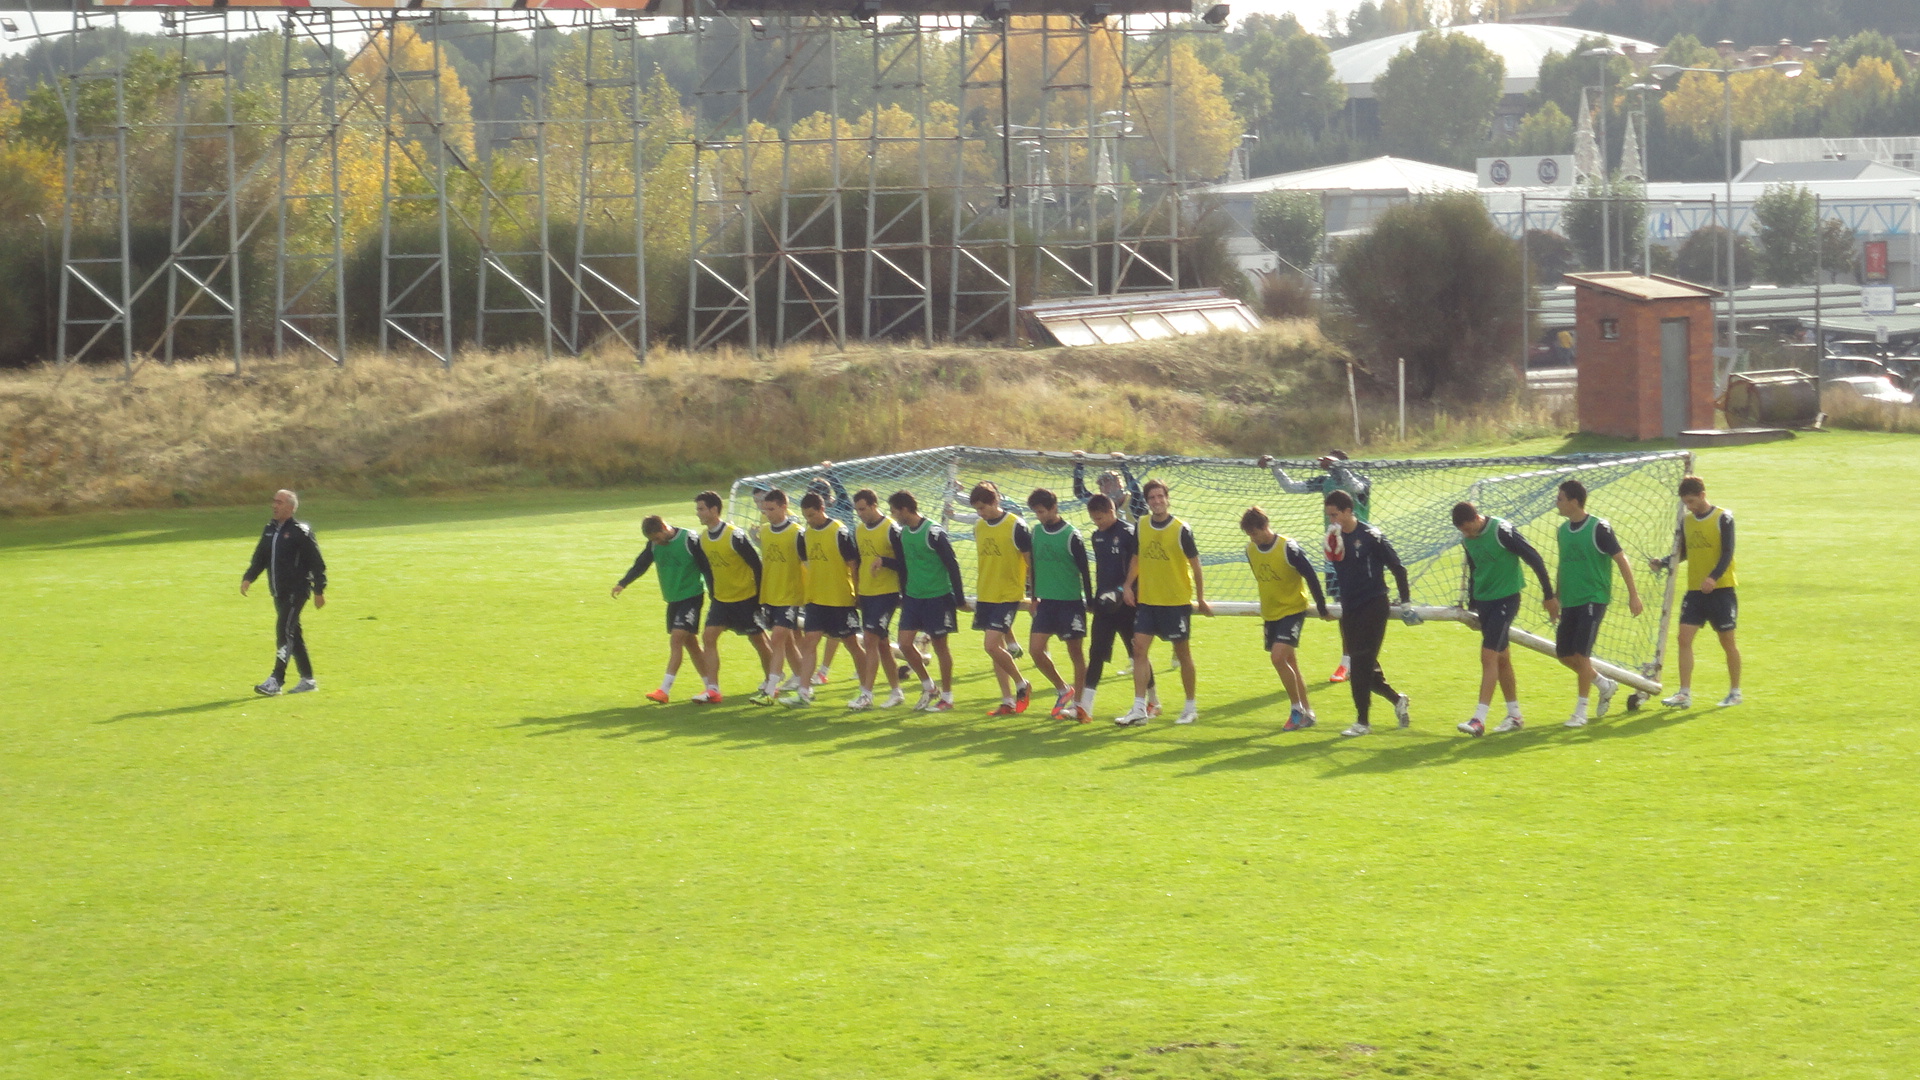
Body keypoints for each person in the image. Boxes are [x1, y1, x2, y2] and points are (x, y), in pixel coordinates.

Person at [1261, 449, 1371, 683]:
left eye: (1334, 466)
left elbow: (1357, 488)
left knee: (1359, 610)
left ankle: (1356, 661)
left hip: (1361, 554)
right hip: (1334, 554)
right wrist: (1274, 466)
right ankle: (1348, 662)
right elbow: (1292, 487)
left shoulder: (1361, 480)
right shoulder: (1326, 481)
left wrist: (1337, 466)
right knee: (1343, 608)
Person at [1450, 501, 1555, 737]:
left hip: (1506, 600)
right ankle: (1515, 715)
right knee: (1503, 659)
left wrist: (1548, 595)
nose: (1466, 534)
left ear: (1476, 518)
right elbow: (1476, 570)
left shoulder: (1501, 530)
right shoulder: (1467, 539)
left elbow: (1534, 558)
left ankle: (1479, 719)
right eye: (1462, 531)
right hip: (1485, 603)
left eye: (1467, 528)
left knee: (1488, 656)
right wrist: (1473, 605)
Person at [1114, 478, 1209, 726]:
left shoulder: (1181, 529)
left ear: (1167, 499)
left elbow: (1196, 566)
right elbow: (1136, 558)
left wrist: (1200, 598)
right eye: (1152, 498)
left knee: (1182, 654)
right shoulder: (1142, 526)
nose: (1157, 501)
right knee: (1139, 649)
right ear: (1146, 502)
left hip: (1175, 602)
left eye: (1160, 497)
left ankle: (1190, 707)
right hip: (1148, 601)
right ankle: (1139, 708)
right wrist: (1127, 585)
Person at [1551, 479, 1644, 728]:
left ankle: (1580, 712)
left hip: (1593, 598)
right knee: (1564, 654)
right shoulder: (1561, 531)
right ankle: (1604, 684)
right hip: (1570, 600)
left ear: (1574, 501)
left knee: (1582, 655)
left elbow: (1621, 559)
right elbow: (1563, 565)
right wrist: (1556, 597)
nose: (1556, 503)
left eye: (1559, 499)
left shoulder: (1599, 528)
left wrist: (1633, 595)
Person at [1324, 489, 1412, 737]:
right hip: (1349, 607)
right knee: (1363, 667)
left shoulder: (1371, 536)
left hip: (1373, 604)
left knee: (1359, 663)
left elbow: (1398, 567)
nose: (1332, 520)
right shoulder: (1334, 538)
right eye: (1328, 515)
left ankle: (1362, 722)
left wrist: (1405, 602)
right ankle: (1397, 700)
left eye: (1335, 515)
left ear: (1349, 511)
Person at [1651, 475, 1741, 709]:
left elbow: (1727, 552)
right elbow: (1685, 552)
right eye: (1686, 503)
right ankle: (1684, 693)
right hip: (1695, 591)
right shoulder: (1686, 522)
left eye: (1692, 501)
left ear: (1702, 495)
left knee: (1727, 641)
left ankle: (1735, 692)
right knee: (1683, 638)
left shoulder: (1724, 518)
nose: (1689, 507)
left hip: (1721, 590)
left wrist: (1713, 577)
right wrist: (1662, 562)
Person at [1239, 506, 1329, 732]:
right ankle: (1308, 713)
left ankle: (1296, 709)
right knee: (1290, 664)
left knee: (1278, 659)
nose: (1253, 539)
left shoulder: (1288, 548)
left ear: (1265, 526)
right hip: (1271, 613)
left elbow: (1310, 575)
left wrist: (1321, 605)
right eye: (1249, 535)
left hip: (1292, 610)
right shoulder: (1250, 550)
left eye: (1255, 533)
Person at [883, 489, 969, 712]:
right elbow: (904, 565)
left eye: (894, 511)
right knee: (904, 643)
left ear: (904, 509)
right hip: (913, 597)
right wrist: (885, 563)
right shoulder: (903, 534)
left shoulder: (933, 533)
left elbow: (952, 565)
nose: (892, 515)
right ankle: (929, 686)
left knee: (941, 648)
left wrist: (958, 598)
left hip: (937, 598)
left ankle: (947, 697)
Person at [612, 514, 712, 705]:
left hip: (691, 596)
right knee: (690, 643)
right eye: (652, 540)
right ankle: (711, 687)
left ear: (664, 527)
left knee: (676, 639)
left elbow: (706, 567)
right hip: (673, 598)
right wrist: (623, 583)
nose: (656, 543)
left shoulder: (688, 539)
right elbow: (641, 564)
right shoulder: (654, 544)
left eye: (657, 538)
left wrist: (714, 592)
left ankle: (664, 690)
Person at [780, 491, 867, 706]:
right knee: (810, 642)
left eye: (812, 515)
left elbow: (853, 564)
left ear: (822, 509)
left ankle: (866, 691)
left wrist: (858, 593)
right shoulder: (805, 535)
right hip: (816, 599)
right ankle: (804, 692)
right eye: (806, 516)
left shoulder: (840, 532)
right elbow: (807, 564)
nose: (809, 520)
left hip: (840, 599)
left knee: (852, 645)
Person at [241, 488, 328, 696]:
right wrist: (249, 577)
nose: (274, 505)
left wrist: (319, 590)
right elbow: (260, 557)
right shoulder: (269, 529)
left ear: (290, 507)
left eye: (279, 502)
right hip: (278, 591)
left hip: (297, 590)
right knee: (293, 634)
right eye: (274, 501)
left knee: (283, 629)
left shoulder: (300, 531)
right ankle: (308, 679)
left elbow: (317, 562)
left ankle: (276, 680)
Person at [958, 481, 1035, 716]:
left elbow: (1031, 562)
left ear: (995, 501)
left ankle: (1022, 684)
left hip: (1007, 595)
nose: (980, 513)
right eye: (977, 509)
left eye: (983, 508)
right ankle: (1007, 701)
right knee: (995, 649)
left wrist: (1034, 594)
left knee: (991, 645)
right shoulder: (979, 527)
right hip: (986, 594)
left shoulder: (1016, 526)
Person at [1081, 493, 1157, 722]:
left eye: (1100, 517)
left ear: (1112, 511)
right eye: (1094, 519)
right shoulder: (1096, 537)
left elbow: (1138, 566)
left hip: (1127, 605)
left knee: (1137, 654)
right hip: (1105, 605)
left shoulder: (1129, 534)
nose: (1098, 522)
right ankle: (1085, 707)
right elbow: (1101, 570)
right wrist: (1095, 599)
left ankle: (1154, 700)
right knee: (1096, 652)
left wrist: (1128, 590)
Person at [691, 490, 770, 705]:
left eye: (701, 509)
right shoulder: (703, 539)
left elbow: (756, 565)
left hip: (745, 597)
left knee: (759, 640)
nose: (698, 513)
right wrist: (713, 590)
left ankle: (772, 682)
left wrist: (759, 597)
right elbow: (707, 568)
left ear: (714, 510)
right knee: (708, 637)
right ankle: (713, 689)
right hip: (722, 599)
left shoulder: (734, 535)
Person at [1025, 489, 1096, 720]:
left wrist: (1089, 600)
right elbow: (1033, 566)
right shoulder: (1035, 533)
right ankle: (1064, 689)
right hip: (1046, 603)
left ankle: (1079, 705)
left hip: (1070, 603)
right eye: (1036, 512)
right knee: (1035, 650)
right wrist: (1034, 597)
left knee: (1075, 653)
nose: (1039, 516)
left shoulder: (1071, 535)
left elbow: (1084, 570)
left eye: (1042, 511)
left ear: (1054, 508)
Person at [750, 488, 810, 706]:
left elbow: (807, 564)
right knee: (787, 641)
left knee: (777, 638)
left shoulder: (797, 532)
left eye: (772, 509)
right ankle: (806, 685)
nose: (767, 513)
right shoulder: (764, 532)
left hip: (790, 595)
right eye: (765, 509)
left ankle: (770, 689)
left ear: (784, 507)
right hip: (771, 594)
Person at [851, 488, 907, 710]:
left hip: (887, 593)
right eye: (857, 510)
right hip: (867, 592)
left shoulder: (891, 529)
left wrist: (884, 561)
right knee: (883, 644)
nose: (860, 514)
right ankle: (896, 692)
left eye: (863, 509)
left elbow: (904, 563)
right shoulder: (859, 530)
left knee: (870, 639)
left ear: (874, 505)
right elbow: (858, 561)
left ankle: (866, 694)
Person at [1069, 450, 1146, 522]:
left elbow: (1136, 491)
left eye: (1107, 483)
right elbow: (1079, 492)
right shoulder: (1103, 504)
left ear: (1119, 484)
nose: (1103, 488)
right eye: (1101, 484)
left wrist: (1122, 465)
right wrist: (1079, 464)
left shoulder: (1133, 501)